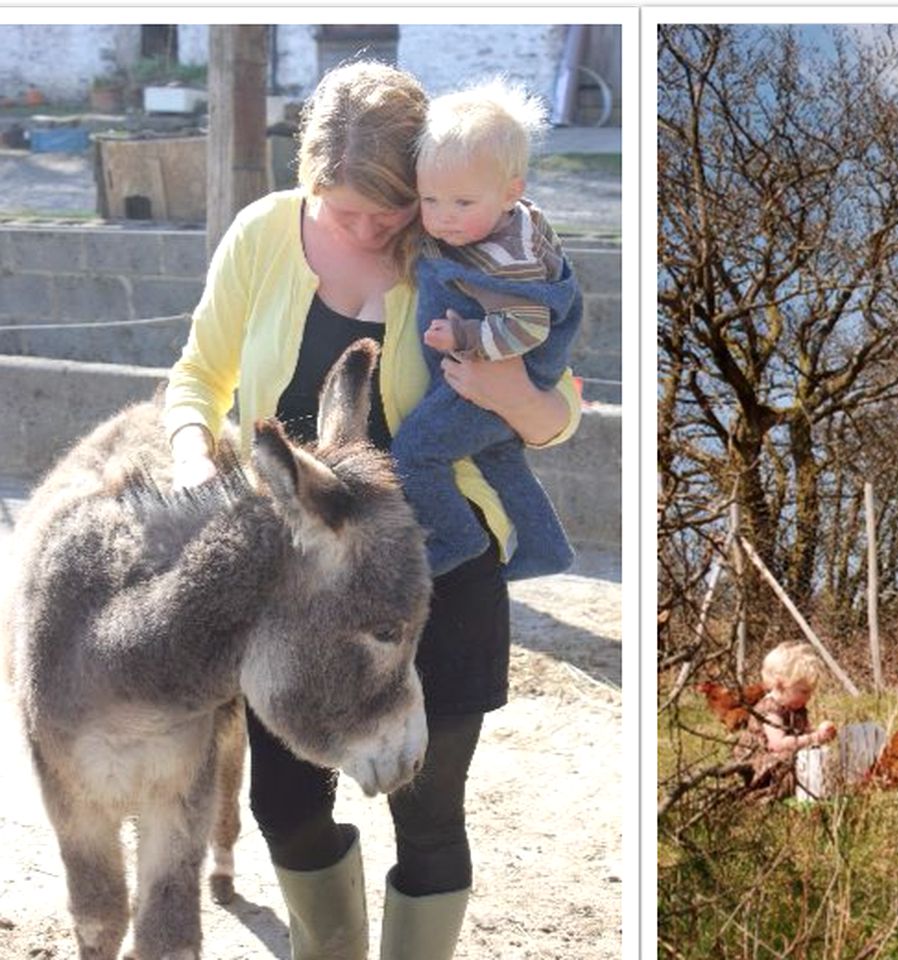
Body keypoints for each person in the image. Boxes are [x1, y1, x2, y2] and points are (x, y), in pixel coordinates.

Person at [163, 60, 581, 960]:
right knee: (281, 802)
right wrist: (194, 451)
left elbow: (557, 417)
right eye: (336, 206)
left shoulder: (470, 239)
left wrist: (510, 389)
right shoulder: (263, 232)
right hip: (290, 582)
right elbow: (198, 377)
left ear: (421, 186)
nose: (359, 227)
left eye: (382, 212)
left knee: (427, 814)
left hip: (441, 568)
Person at [391, 78, 580, 581]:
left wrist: (466, 339)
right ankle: (547, 544)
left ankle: (458, 536)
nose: (443, 219)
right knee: (500, 456)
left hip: (483, 379)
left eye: (461, 204)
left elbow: (529, 326)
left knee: (414, 453)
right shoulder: (498, 222)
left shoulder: (507, 259)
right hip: (481, 390)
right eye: (429, 201)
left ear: (510, 193)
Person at [733, 642, 840, 801]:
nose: (808, 697)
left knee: (816, 757)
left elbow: (801, 735)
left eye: (810, 692)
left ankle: (816, 789)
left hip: (785, 760)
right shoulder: (771, 709)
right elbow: (778, 744)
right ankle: (771, 793)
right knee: (792, 762)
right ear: (781, 684)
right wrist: (815, 737)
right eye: (804, 691)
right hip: (763, 767)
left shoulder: (796, 708)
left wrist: (819, 733)